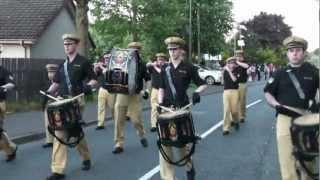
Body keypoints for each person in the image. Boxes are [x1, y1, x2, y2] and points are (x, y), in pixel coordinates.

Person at [264, 35, 319, 180]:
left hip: (308, 118)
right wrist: (276, 105)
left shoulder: (313, 72)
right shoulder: (279, 73)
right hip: (285, 118)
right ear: (287, 53)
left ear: (304, 52)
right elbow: (268, 93)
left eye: (298, 50)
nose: (294, 53)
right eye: (291, 50)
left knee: (308, 158)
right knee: (287, 158)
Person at [45, 33, 98, 180]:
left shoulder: (83, 62)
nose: (66, 46)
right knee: (66, 131)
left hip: (76, 102)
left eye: (69, 44)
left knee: (67, 131)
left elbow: (94, 80)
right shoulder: (63, 65)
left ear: (76, 45)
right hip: (62, 102)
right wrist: (47, 94)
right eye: (65, 44)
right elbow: (56, 83)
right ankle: (59, 169)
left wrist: (87, 87)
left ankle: (67, 166)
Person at [157, 36, 207, 180]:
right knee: (164, 142)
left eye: (175, 49)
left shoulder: (189, 67)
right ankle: (168, 177)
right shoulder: (164, 68)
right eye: (170, 50)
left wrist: (197, 92)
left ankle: (189, 167)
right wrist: (160, 103)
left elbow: (202, 84)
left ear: (180, 50)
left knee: (180, 143)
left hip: (182, 108)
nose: (172, 52)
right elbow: (161, 87)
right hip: (166, 109)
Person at [111, 42, 150, 154]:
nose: (133, 52)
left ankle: (142, 134)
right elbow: (114, 76)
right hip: (122, 93)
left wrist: (147, 90)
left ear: (139, 51)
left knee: (136, 119)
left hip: (136, 94)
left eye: (136, 50)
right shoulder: (121, 63)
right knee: (119, 119)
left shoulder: (142, 64)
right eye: (131, 50)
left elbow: (148, 79)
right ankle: (119, 143)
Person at [94, 51, 116, 130]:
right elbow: (95, 74)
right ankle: (100, 124)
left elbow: (107, 72)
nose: (106, 59)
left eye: (108, 57)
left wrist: (102, 66)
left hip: (111, 89)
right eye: (105, 57)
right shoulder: (101, 65)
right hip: (102, 89)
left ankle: (116, 120)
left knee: (113, 107)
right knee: (101, 107)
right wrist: (95, 67)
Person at [146, 52, 167, 132]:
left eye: (162, 60)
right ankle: (154, 125)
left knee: (163, 108)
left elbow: (161, 72)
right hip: (155, 90)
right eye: (159, 59)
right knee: (154, 108)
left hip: (164, 91)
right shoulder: (153, 67)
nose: (160, 61)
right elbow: (147, 66)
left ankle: (163, 123)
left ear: (164, 60)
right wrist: (151, 64)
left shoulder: (166, 67)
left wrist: (154, 66)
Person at [0, 66, 17, 162]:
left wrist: (3, 87)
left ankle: (11, 149)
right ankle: (11, 149)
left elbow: (12, 84)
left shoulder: (3, 71)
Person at [42, 64, 59, 148]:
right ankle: (49, 141)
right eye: (49, 73)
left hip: (57, 104)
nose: (50, 75)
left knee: (57, 123)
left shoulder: (60, 82)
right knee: (47, 122)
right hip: (49, 104)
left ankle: (58, 139)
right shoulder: (47, 82)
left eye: (52, 73)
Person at [222, 57, 240, 135]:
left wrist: (229, 71)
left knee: (234, 111)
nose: (230, 64)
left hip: (234, 92)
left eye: (232, 63)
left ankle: (236, 121)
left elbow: (234, 80)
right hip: (226, 92)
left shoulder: (237, 71)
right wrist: (222, 74)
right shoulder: (225, 71)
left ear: (234, 64)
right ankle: (226, 128)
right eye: (229, 63)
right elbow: (222, 82)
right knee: (226, 110)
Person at [234, 50, 249, 123]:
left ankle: (242, 116)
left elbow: (246, 66)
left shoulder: (244, 62)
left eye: (239, 55)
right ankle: (234, 116)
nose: (238, 56)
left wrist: (238, 62)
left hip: (242, 84)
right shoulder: (234, 63)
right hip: (234, 84)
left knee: (242, 101)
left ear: (242, 56)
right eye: (237, 55)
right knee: (234, 101)